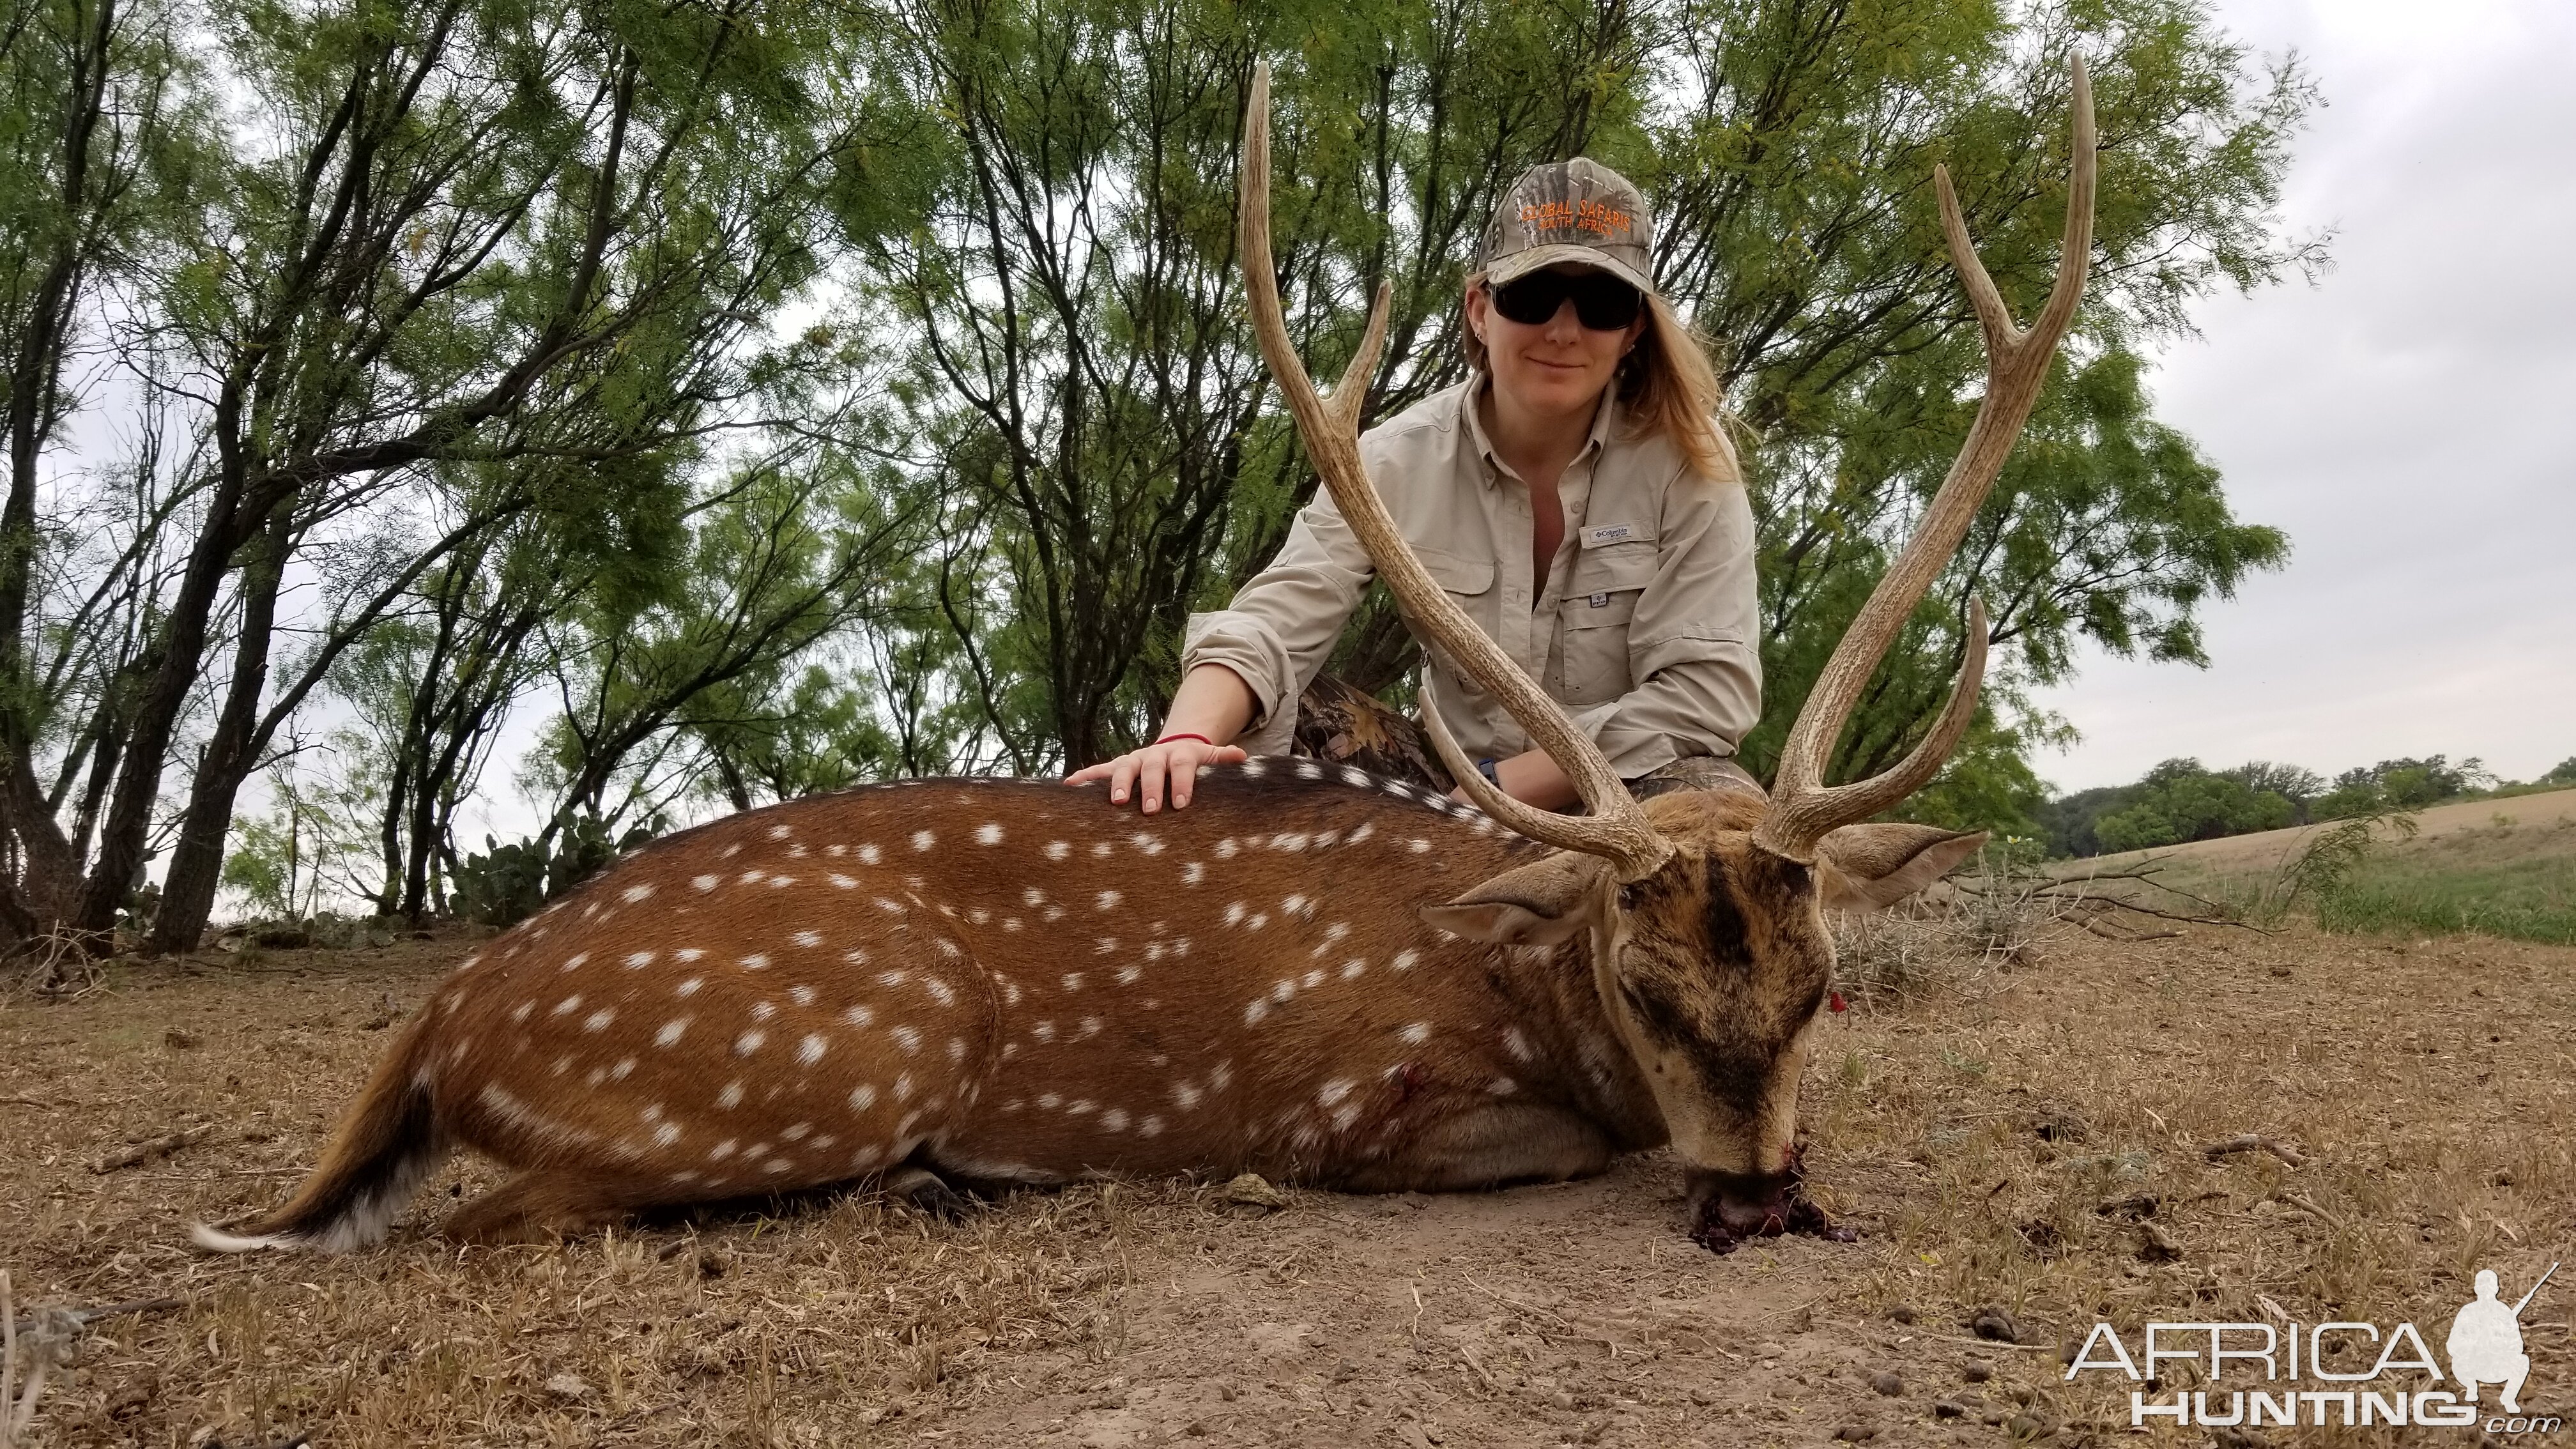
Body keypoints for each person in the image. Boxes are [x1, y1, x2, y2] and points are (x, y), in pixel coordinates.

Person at [1070, 157, 1760, 813]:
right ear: (1480, 309)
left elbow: (1704, 695)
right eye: (1535, 294)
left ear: (1635, 326)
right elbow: (1274, 623)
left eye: (1602, 302)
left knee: (1719, 801)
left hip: (1618, 790)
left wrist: (1502, 791)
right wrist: (1186, 739)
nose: (1564, 329)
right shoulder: (1390, 460)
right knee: (1287, 726)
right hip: (1444, 790)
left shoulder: (1692, 465)